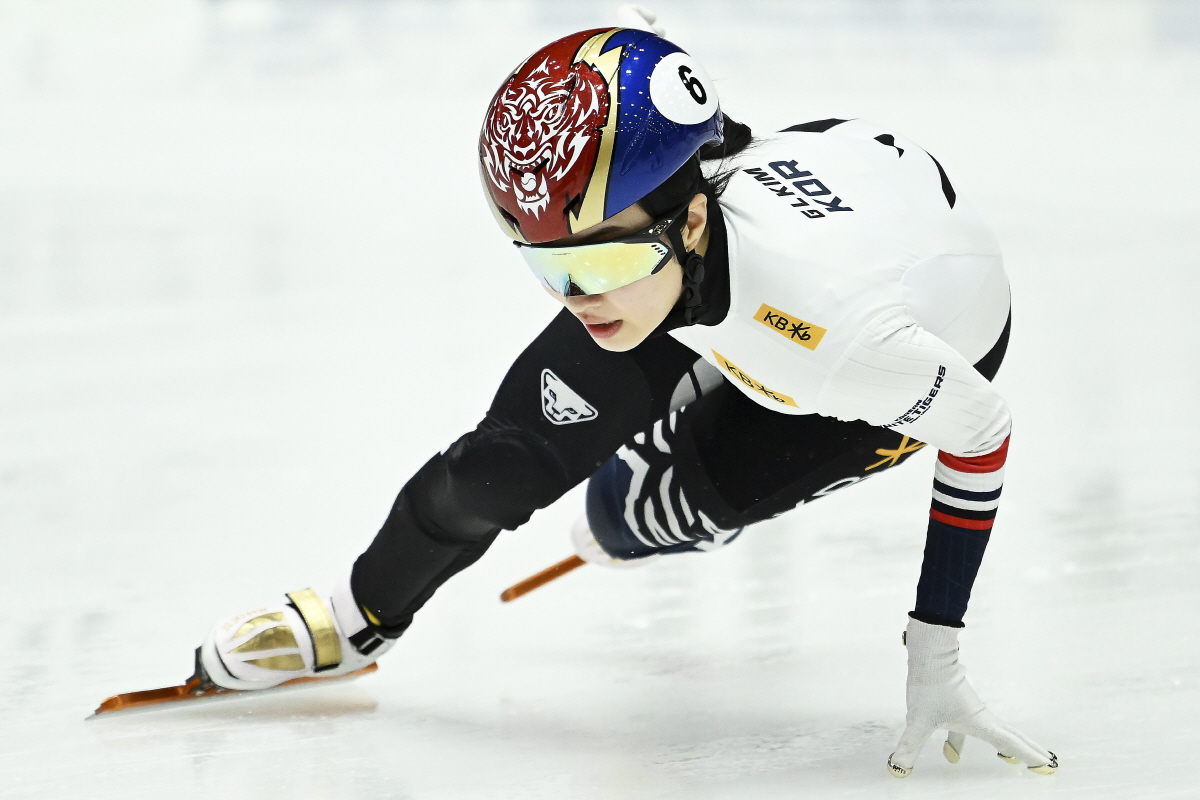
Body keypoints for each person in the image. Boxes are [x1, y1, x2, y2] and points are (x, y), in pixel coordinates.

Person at [194, 21, 1056, 778]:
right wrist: (612, 258)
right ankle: (354, 627)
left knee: (630, 513)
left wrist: (935, 652)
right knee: (499, 465)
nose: (577, 298)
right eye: (548, 265)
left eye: (596, 261)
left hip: (881, 336)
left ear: (687, 219)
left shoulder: (843, 347)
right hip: (771, 246)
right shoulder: (645, 234)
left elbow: (982, 427)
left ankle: (679, 448)